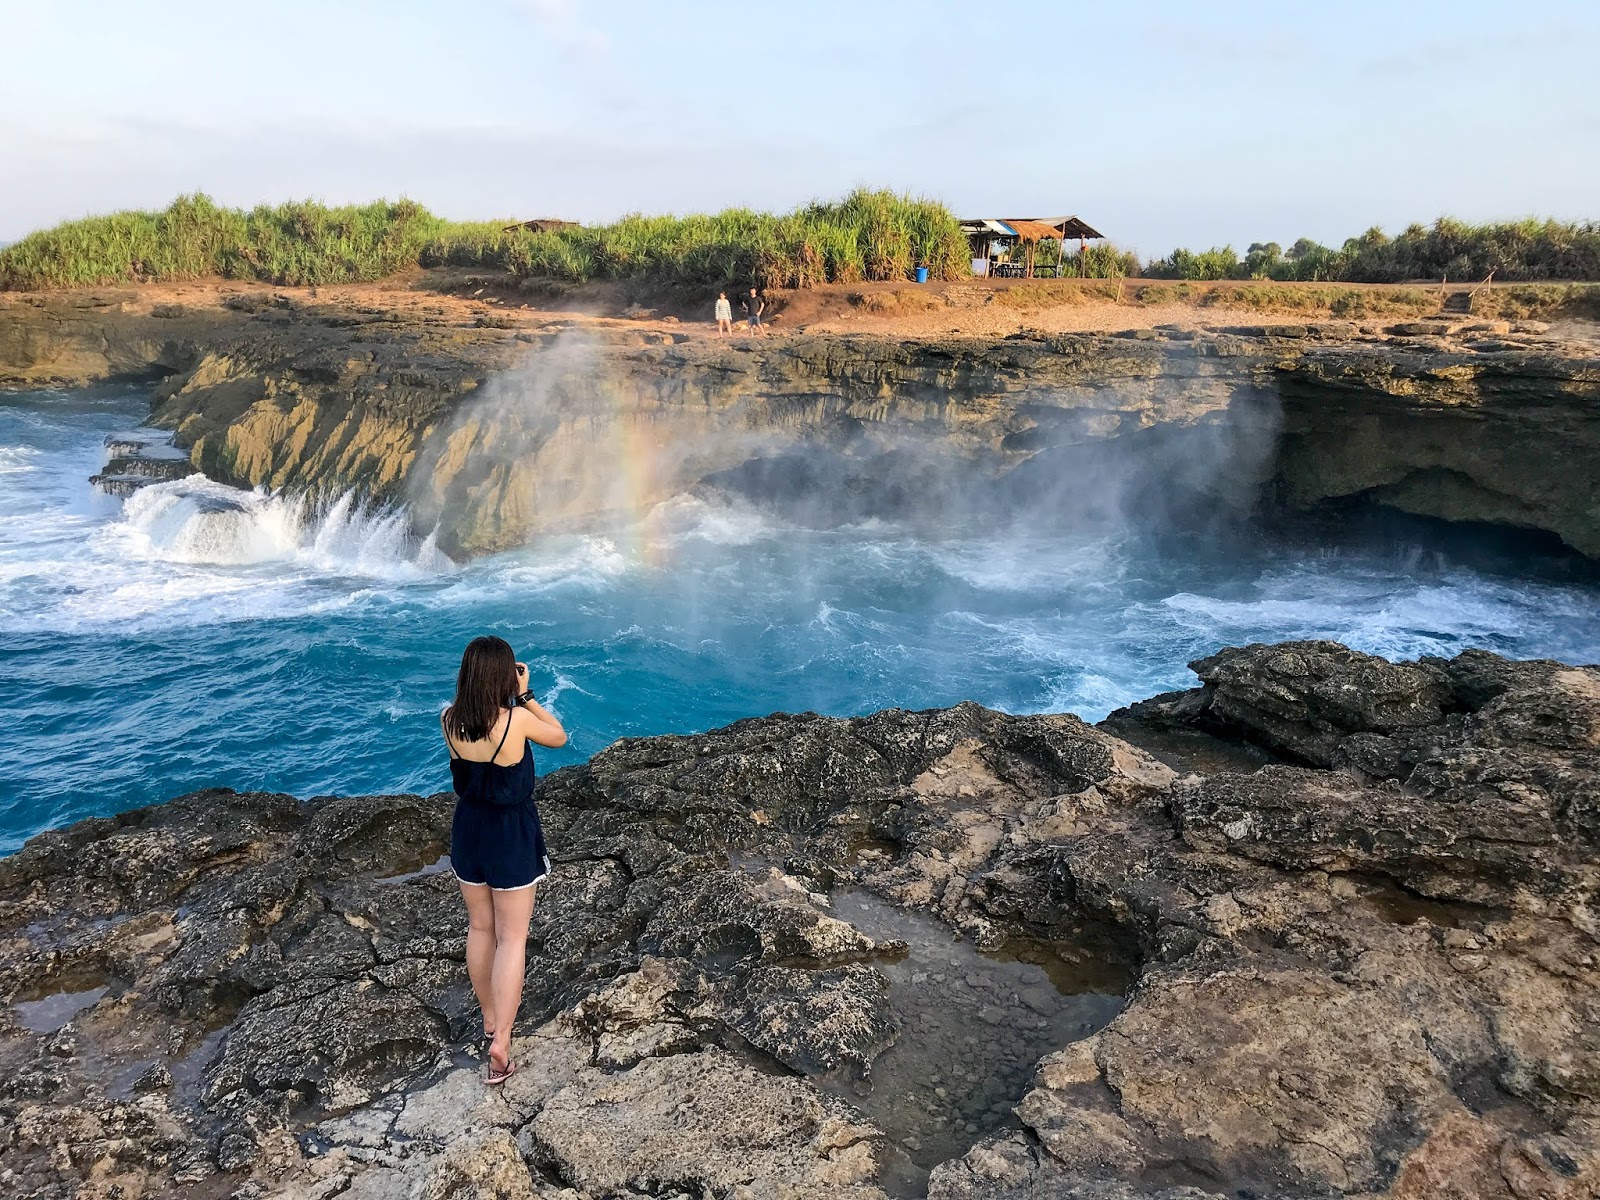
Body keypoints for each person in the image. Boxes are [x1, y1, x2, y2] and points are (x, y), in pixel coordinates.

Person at [440, 635, 567, 1086]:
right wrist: (526, 695)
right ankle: (503, 1041)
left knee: (480, 928)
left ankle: (490, 1019)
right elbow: (559, 735)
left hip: (468, 831)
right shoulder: (516, 722)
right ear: (503, 676)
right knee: (512, 939)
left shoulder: (449, 719)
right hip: (510, 835)